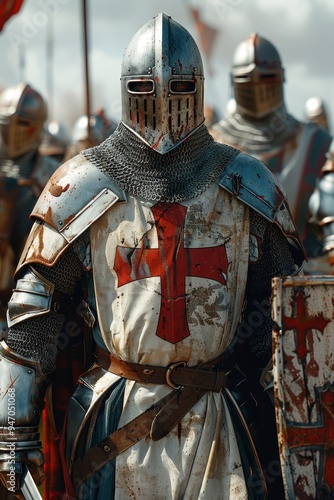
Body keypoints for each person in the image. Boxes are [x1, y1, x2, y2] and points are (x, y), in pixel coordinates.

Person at [0, 13, 305, 500]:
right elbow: (31, 316)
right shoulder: (81, 186)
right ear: (128, 90)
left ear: (199, 88)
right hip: (115, 419)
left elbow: (288, 326)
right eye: (146, 87)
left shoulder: (247, 184)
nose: (163, 101)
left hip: (222, 418)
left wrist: (296, 422)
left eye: (179, 86)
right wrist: (13, 431)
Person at [210, 33, 332, 274]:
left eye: (265, 78)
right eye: (248, 79)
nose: (257, 87)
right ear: (235, 82)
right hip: (229, 276)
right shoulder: (211, 143)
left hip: (301, 278)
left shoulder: (315, 143)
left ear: (280, 78)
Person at [0, 83, 60, 333]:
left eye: (22, 123)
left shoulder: (53, 174)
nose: (14, 131)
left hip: (34, 291)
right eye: (7, 122)